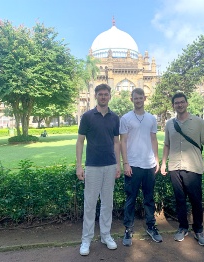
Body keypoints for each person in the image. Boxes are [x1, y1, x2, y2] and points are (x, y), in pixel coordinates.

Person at [161, 92, 204, 246]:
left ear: (187, 103)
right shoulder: (169, 124)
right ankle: (183, 227)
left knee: (195, 200)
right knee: (179, 200)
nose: (180, 105)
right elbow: (166, 145)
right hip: (175, 167)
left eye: (182, 102)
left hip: (193, 167)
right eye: (177, 103)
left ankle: (198, 230)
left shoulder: (199, 122)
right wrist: (164, 163)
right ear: (173, 106)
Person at [76, 83, 121, 256]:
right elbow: (80, 141)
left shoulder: (114, 118)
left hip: (110, 165)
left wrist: (118, 164)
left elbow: (116, 142)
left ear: (110, 96)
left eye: (106, 94)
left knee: (107, 203)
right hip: (92, 166)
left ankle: (105, 235)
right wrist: (79, 165)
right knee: (90, 204)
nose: (103, 97)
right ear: (96, 96)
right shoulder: (87, 116)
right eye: (100, 94)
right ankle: (86, 239)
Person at [120, 88, 162, 246]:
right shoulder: (125, 118)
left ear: (145, 98)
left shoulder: (151, 118)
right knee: (130, 198)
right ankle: (128, 229)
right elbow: (122, 141)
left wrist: (156, 159)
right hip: (133, 165)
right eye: (135, 98)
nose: (138, 100)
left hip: (149, 164)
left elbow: (154, 139)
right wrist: (125, 163)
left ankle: (151, 227)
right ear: (131, 99)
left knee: (149, 198)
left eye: (140, 98)